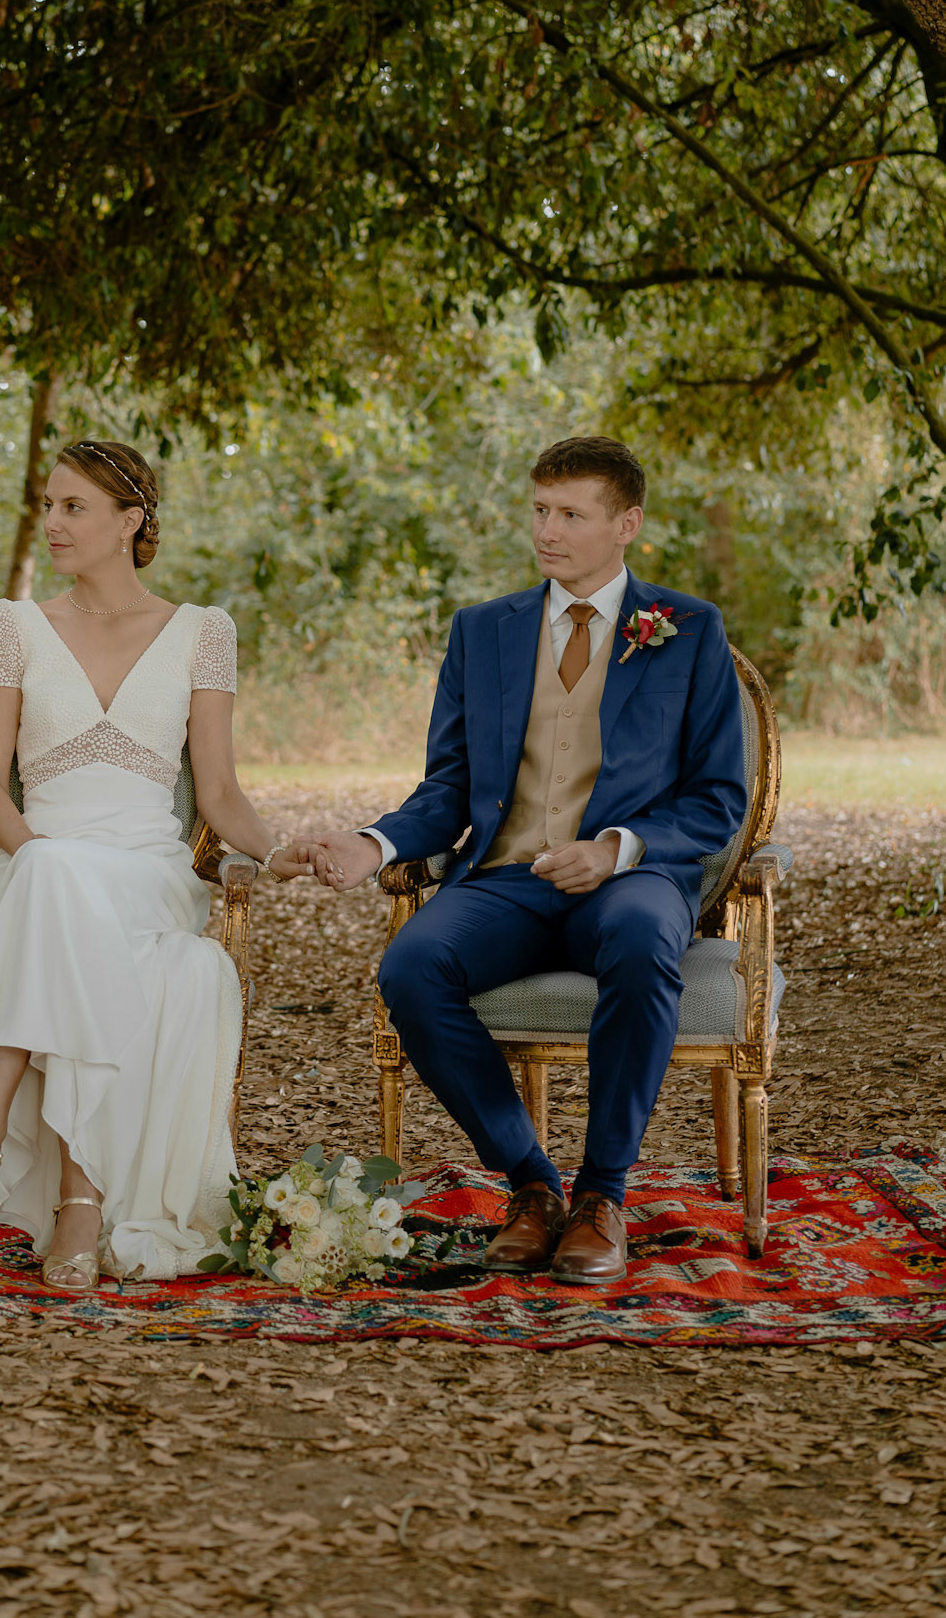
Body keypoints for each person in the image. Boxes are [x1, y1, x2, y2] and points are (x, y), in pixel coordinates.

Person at [293, 436, 748, 1285]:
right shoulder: (481, 631)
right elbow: (448, 786)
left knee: (643, 939)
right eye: (539, 510)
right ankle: (532, 1185)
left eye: (571, 514)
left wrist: (615, 849)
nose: (547, 530)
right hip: (504, 880)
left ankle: (602, 1195)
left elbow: (718, 798)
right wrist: (374, 843)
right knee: (411, 967)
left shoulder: (687, 629)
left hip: (631, 881)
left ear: (626, 525)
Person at [0, 438, 309, 1288]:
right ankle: (80, 1201)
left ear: (130, 521)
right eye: (48, 506)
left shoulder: (203, 633)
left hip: (147, 875)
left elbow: (219, 792)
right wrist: (42, 862)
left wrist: (276, 852)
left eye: (73, 507)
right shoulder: (13, 624)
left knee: (70, 893)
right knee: (59, 880)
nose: (52, 523)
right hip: (32, 870)